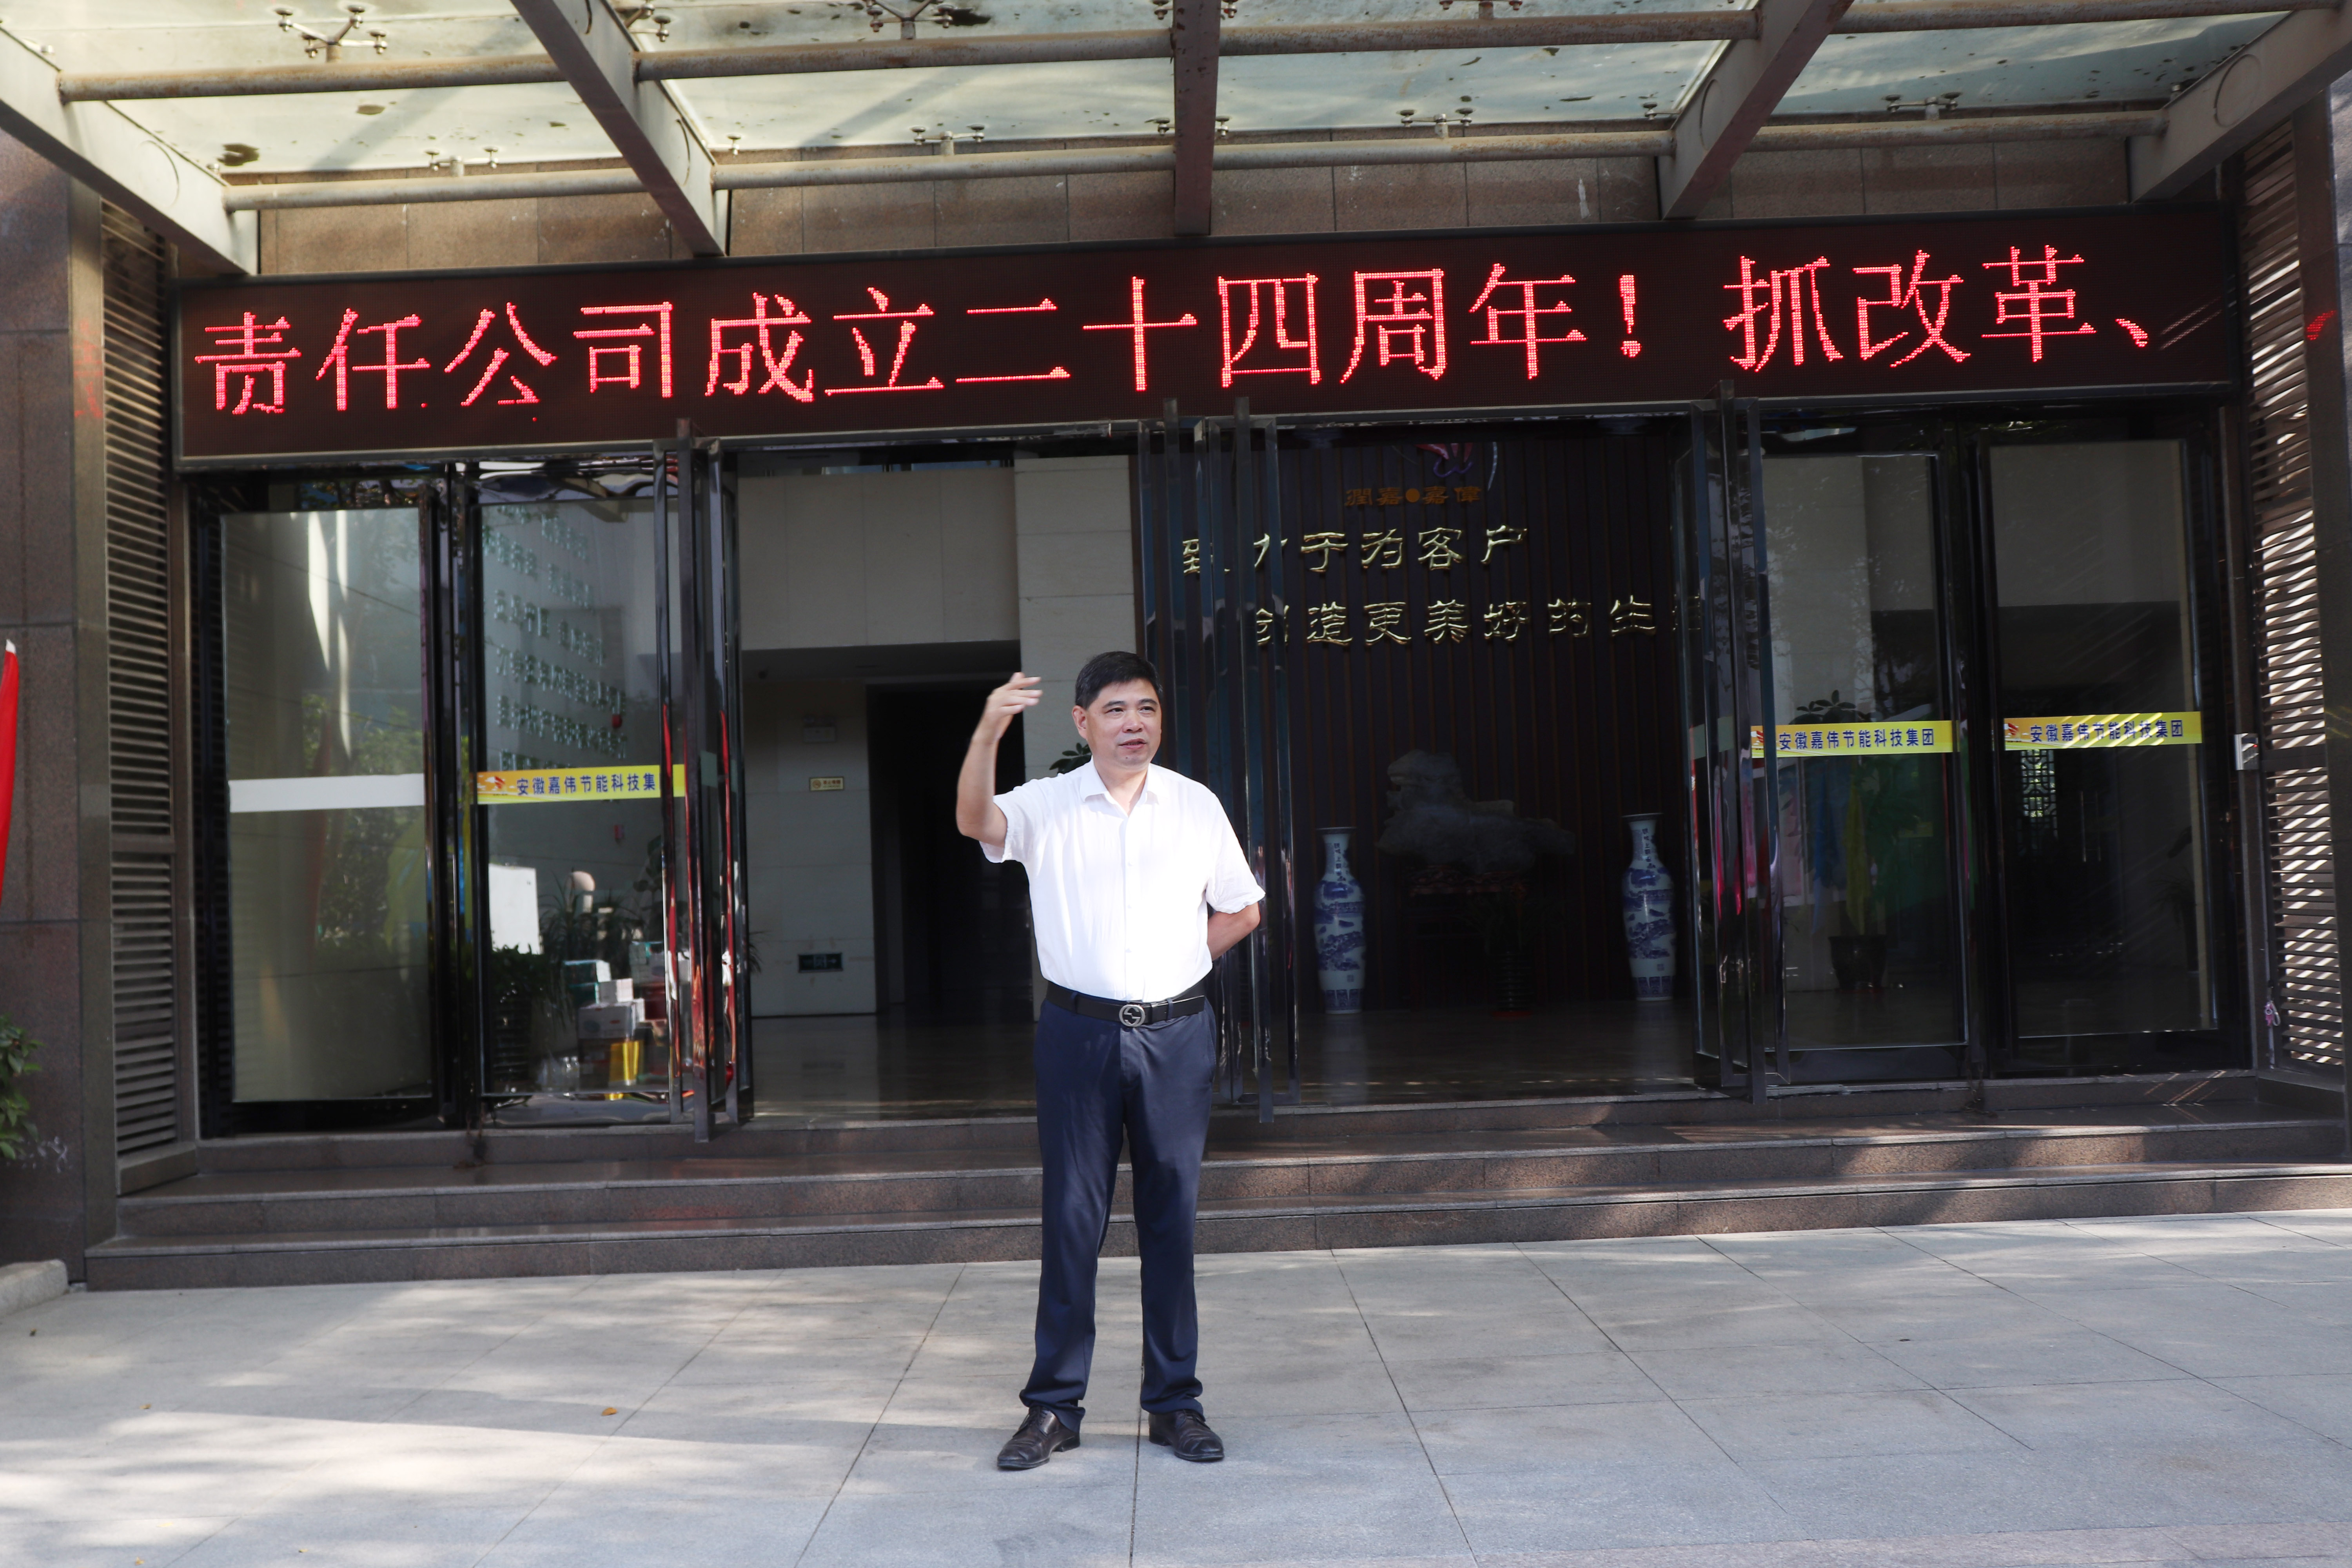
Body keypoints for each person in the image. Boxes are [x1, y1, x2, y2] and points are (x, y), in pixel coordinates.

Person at [954, 650, 1264, 1470]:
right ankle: (1053, 1407)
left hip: (1176, 1035)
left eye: (1148, 708)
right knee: (1072, 1220)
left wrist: (1179, 963)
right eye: (1117, 709)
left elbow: (1243, 908)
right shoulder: (1049, 804)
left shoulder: (1194, 805)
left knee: (1172, 1222)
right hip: (1078, 1034)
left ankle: (1175, 1404)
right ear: (1083, 721)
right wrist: (988, 731)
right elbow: (975, 822)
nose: (1135, 723)